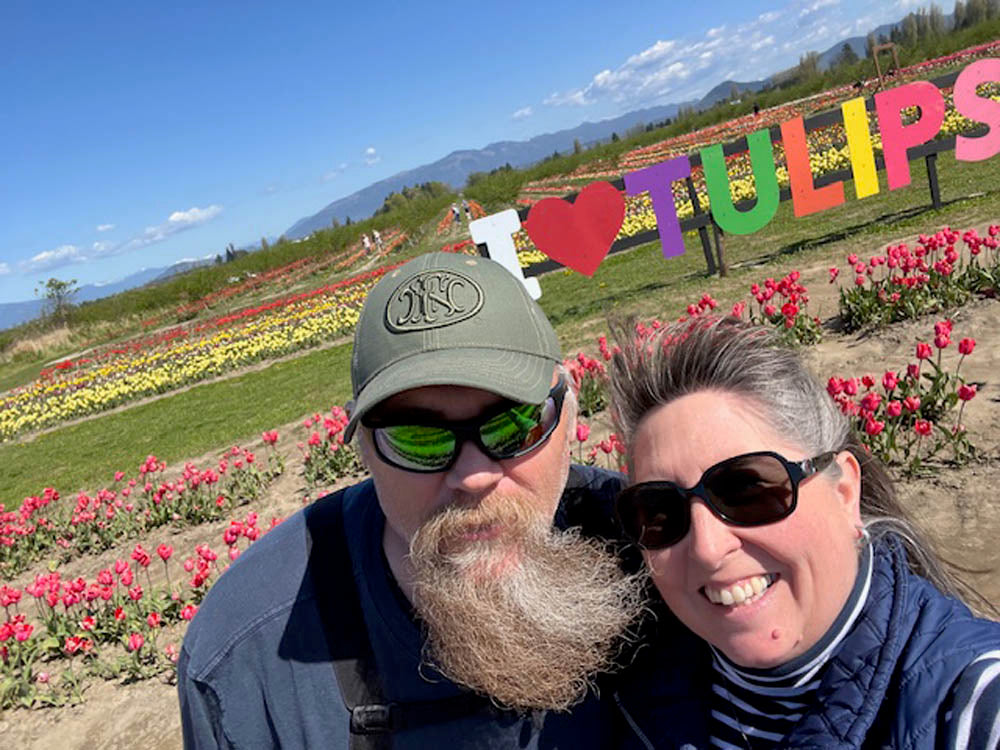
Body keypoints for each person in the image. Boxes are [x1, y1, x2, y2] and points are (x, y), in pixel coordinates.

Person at [177, 252, 645, 749]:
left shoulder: (658, 548)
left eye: (514, 426)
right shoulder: (251, 666)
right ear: (364, 451)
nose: (473, 475)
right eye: (420, 440)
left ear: (570, 418)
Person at [606, 316, 1000, 749]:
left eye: (747, 489)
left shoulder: (968, 704)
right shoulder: (632, 688)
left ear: (846, 491)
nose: (707, 548)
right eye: (660, 511)